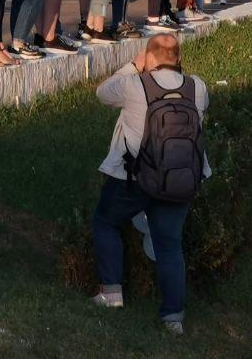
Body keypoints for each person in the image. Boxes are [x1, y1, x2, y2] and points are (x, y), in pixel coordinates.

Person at [90, 34, 210, 336]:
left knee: (105, 222)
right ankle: (172, 318)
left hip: (135, 179)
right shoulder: (198, 87)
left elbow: (102, 93)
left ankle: (111, 292)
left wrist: (133, 66)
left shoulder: (134, 84)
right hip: (179, 180)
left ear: (150, 58)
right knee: (170, 245)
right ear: (179, 58)